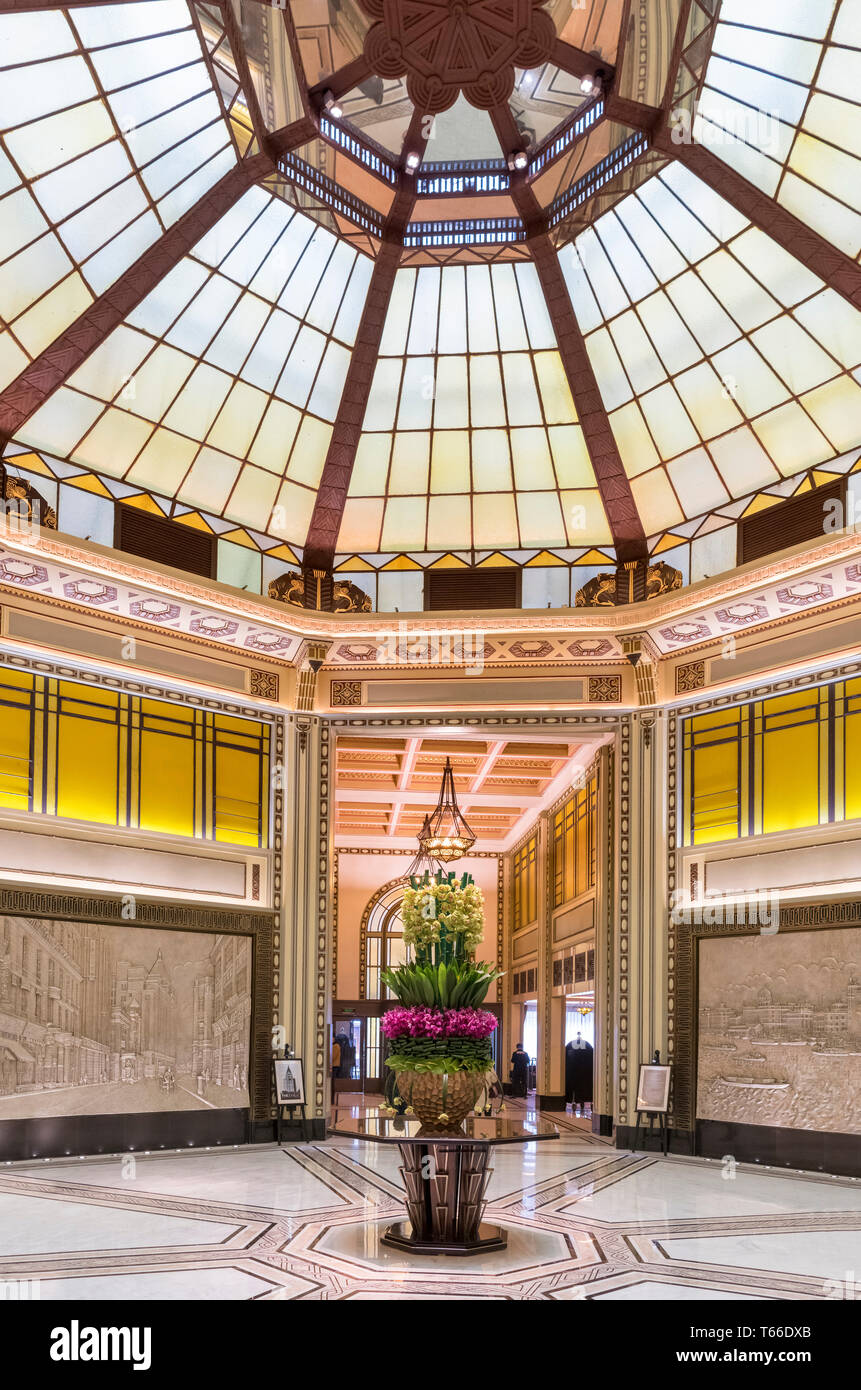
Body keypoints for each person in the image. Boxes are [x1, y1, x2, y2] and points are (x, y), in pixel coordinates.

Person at [565, 1032, 594, 1115]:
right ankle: (584, 1102)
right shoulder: (588, 1046)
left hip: (572, 1074)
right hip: (586, 1074)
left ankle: (574, 1101)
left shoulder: (569, 1046)